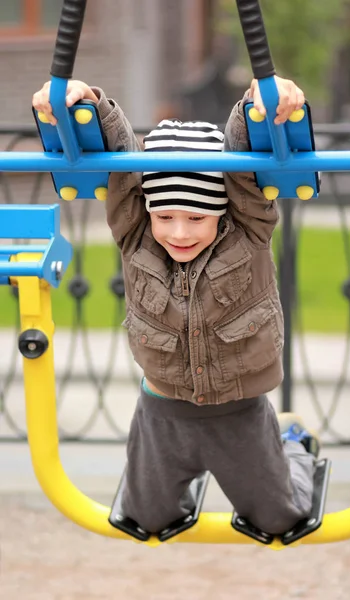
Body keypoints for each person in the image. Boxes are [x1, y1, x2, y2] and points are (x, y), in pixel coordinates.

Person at [32, 76, 320, 536]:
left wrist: (260, 102)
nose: (179, 233)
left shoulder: (248, 231)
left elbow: (241, 159)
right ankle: (172, 484)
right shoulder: (134, 234)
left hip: (239, 412)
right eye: (165, 216)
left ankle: (291, 443)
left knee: (283, 518)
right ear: (148, 210)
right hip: (163, 414)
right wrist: (86, 101)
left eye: (196, 217)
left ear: (222, 210)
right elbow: (121, 161)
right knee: (145, 518)